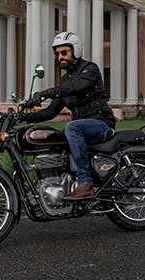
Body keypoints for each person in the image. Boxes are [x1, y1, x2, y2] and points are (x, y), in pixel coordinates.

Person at [20, 31, 116, 199]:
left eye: (64, 52)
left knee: (72, 127)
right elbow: (51, 112)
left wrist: (46, 92)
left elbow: (75, 87)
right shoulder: (65, 80)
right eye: (57, 54)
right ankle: (59, 181)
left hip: (101, 124)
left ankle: (85, 183)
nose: (60, 57)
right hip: (82, 128)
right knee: (51, 136)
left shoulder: (89, 69)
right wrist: (23, 116)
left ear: (75, 51)